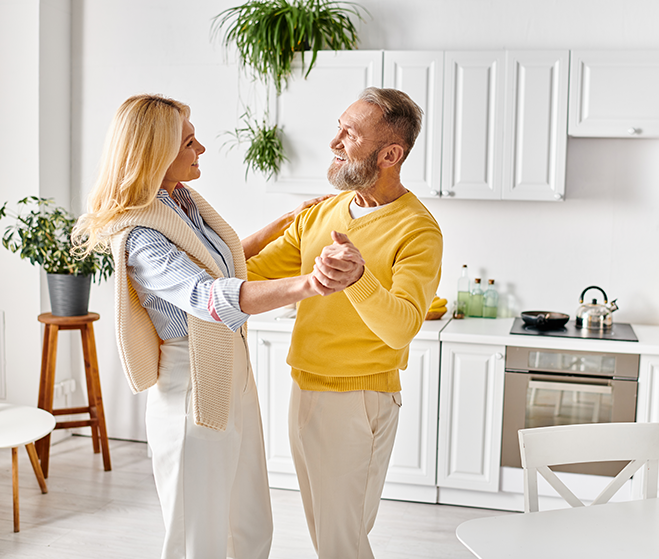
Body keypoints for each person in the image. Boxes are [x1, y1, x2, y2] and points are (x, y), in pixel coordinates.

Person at [72, 94, 364, 559]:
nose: (201, 149)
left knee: (250, 524)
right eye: (189, 142)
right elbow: (209, 296)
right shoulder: (141, 235)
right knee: (199, 537)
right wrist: (311, 283)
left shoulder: (180, 200)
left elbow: (218, 262)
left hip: (231, 374)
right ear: (155, 155)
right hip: (190, 384)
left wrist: (285, 222)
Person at [246, 87, 443, 559]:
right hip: (305, 388)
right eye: (339, 125)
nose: (334, 141)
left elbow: (400, 327)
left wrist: (357, 278)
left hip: (359, 400)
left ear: (390, 154)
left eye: (349, 133)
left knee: (343, 541)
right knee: (328, 534)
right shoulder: (324, 212)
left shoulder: (418, 229)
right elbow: (245, 276)